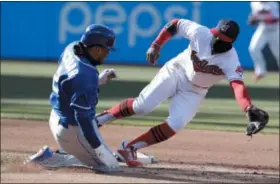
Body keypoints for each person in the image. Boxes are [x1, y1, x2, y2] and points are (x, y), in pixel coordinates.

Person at [95, 18, 269, 167]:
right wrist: (156, 44)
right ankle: (99, 120)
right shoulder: (201, 33)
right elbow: (175, 24)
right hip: (176, 71)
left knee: (176, 124)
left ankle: (129, 148)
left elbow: (237, 85)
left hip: (195, 91)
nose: (215, 38)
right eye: (215, 33)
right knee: (143, 105)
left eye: (221, 38)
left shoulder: (231, 60)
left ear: (229, 42)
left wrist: (247, 107)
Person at [25, 24, 120, 172]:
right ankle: (52, 158)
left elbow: (69, 80)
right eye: (107, 50)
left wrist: (98, 81)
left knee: (99, 150)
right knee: (110, 166)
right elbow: (82, 118)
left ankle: (76, 152)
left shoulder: (72, 47)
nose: (108, 54)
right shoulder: (86, 75)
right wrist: (99, 149)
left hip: (56, 115)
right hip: (72, 131)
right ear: (96, 49)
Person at [248, 1, 279, 81]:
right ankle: (260, 72)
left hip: (275, 29)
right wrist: (253, 19)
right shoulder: (254, 3)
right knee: (253, 48)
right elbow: (254, 19)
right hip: (263, 29)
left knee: (278, 53)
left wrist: (262, 16)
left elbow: (275, 19)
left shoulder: (273, 3)